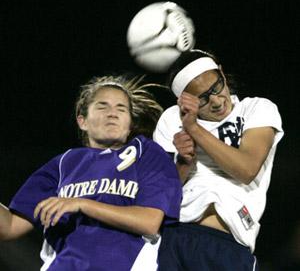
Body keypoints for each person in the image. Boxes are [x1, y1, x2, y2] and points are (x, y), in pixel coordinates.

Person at [0, 75, 182, 271]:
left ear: (130, 125)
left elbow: (149, 222)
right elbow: (10, 227)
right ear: (82, 121)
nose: (113, 113)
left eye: (121, 108)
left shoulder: (146, 153)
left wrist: (82, 204)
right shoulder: (63, 164)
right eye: (102, 106)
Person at [153, 49, 284, 270]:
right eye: (202, 99)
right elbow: (161, 197)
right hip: (176, 236)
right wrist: (183, 164)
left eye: (217, 87)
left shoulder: (257, 109)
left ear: (222, 73)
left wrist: (194, 128)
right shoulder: (170, 119)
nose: (216, 101)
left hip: (230, 244)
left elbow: (247, 169)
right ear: (183, 101)